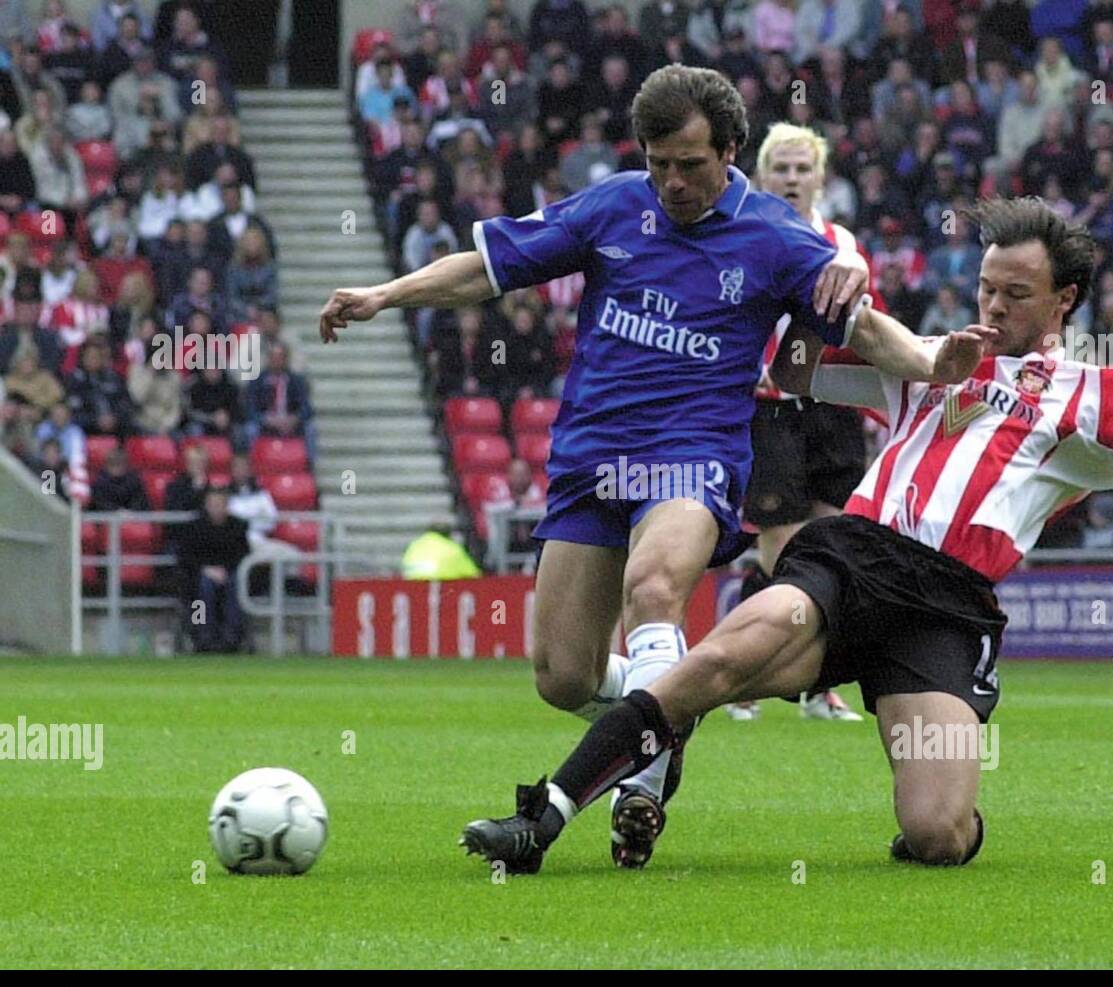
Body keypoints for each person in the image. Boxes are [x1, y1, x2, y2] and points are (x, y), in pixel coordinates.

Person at [460, 197, 1113, 874]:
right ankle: (544, 815)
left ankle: (923, 801)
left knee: (936, 834)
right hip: (852, 558)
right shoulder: (932, 356)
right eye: (986, 287)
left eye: (1017, 293)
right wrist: (839, 291)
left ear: (1064, 299)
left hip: (947, 606)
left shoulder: (1102, 393)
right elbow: (796, 370)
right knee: (721, 657)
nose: (995, 305)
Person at [320, 65, 947, 870]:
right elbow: (487, 267)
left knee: (653, 589)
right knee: (560, 674)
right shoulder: (616, 204)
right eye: (658, 163)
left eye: (690, 164)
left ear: (730, 150)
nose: (672, 182)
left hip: (694, 455)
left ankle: (638, 784)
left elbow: (867, 332)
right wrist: (383, 294)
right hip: (591, 458)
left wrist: (936, 363)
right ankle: (666, 713)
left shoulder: (778, 239)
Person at [727, 122, 871, 724]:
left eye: (801, 168)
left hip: (831, 412)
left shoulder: (843, 243)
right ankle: (741, 674)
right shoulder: (742, 235)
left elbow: (864, 328)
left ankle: (818, 683)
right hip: (769, 413)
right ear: (761, 175)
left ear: (820, 177)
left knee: (832, 551)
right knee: (783, 554)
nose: (791, 178)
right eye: (780, 168)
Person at [177, 487, 249, 653]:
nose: (216, 508)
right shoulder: (194, 527)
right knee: (202, 588)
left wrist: (225, 571)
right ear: (206, 506)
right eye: (212, 504)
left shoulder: (238, 527)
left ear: (227, 506)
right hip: (198, 577)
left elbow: (242, 555)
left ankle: (232, 635)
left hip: (229, 574)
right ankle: (201, 634)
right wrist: (206, 570)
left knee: (236, 583)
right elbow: (185, 557)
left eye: (220, 504)